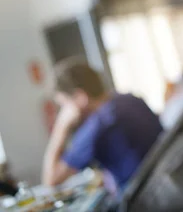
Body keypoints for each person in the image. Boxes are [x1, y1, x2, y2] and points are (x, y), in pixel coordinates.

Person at [42, 58, 162, 190]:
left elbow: (51, 180)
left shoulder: (96, 126)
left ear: (80, 97)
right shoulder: (129, 99)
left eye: (65, 105)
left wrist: (60, 127)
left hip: (139, 199)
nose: (64, 113)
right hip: (161, 186)